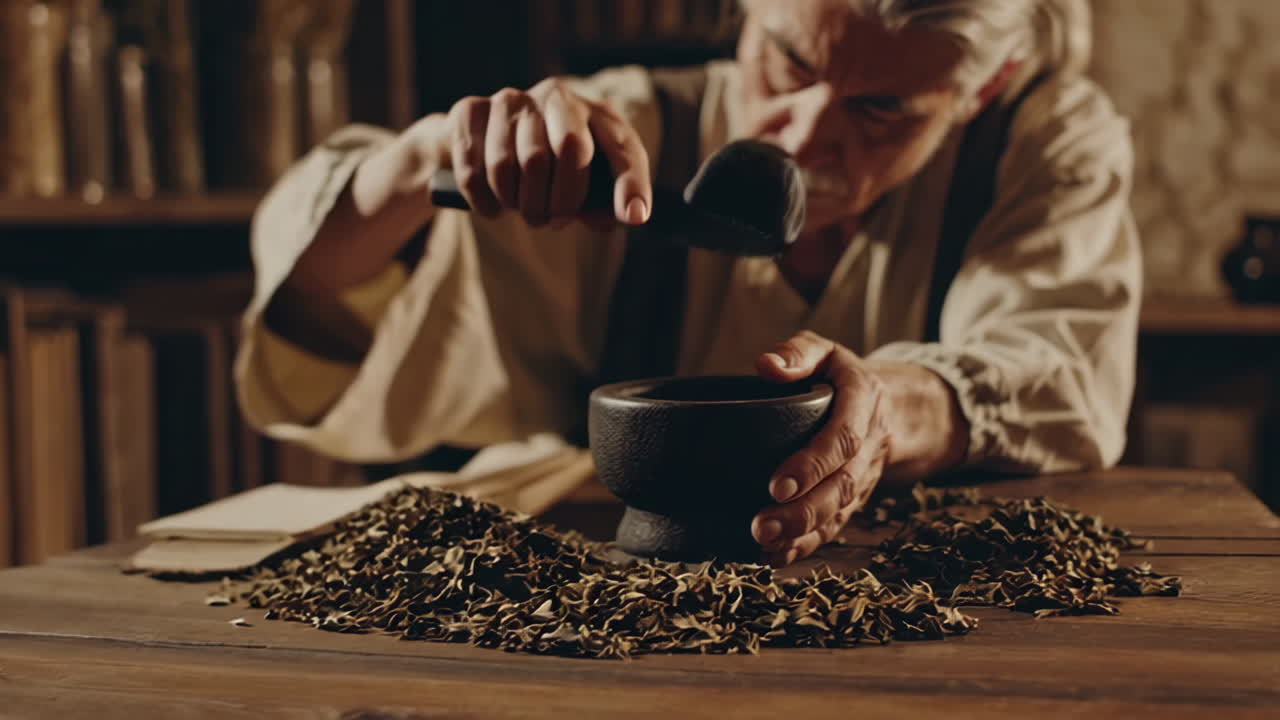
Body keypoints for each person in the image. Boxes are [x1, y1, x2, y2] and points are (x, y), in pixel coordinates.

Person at [236, 0, 1141, 566]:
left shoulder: (1039, 145)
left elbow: (1055, 367)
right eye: (788, 63)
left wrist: (885, 412)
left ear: (984, 89)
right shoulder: (631, 130)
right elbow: (308, 286)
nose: (801, 137)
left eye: (883, 109)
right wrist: (422, 163)